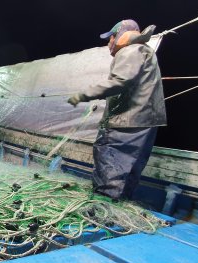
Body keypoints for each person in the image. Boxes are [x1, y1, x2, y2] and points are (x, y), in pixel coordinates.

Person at [67, 19, 167, 200]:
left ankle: (103, 211)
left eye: (110, 38)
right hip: (144, 122)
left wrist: (83, 94)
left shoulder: (130, 51)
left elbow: (120, 82)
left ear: (118, 36)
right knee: (128, 172)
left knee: (110, 167)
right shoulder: (145, 51)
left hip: (125, 123)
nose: (108, 43)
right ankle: (117, 206)